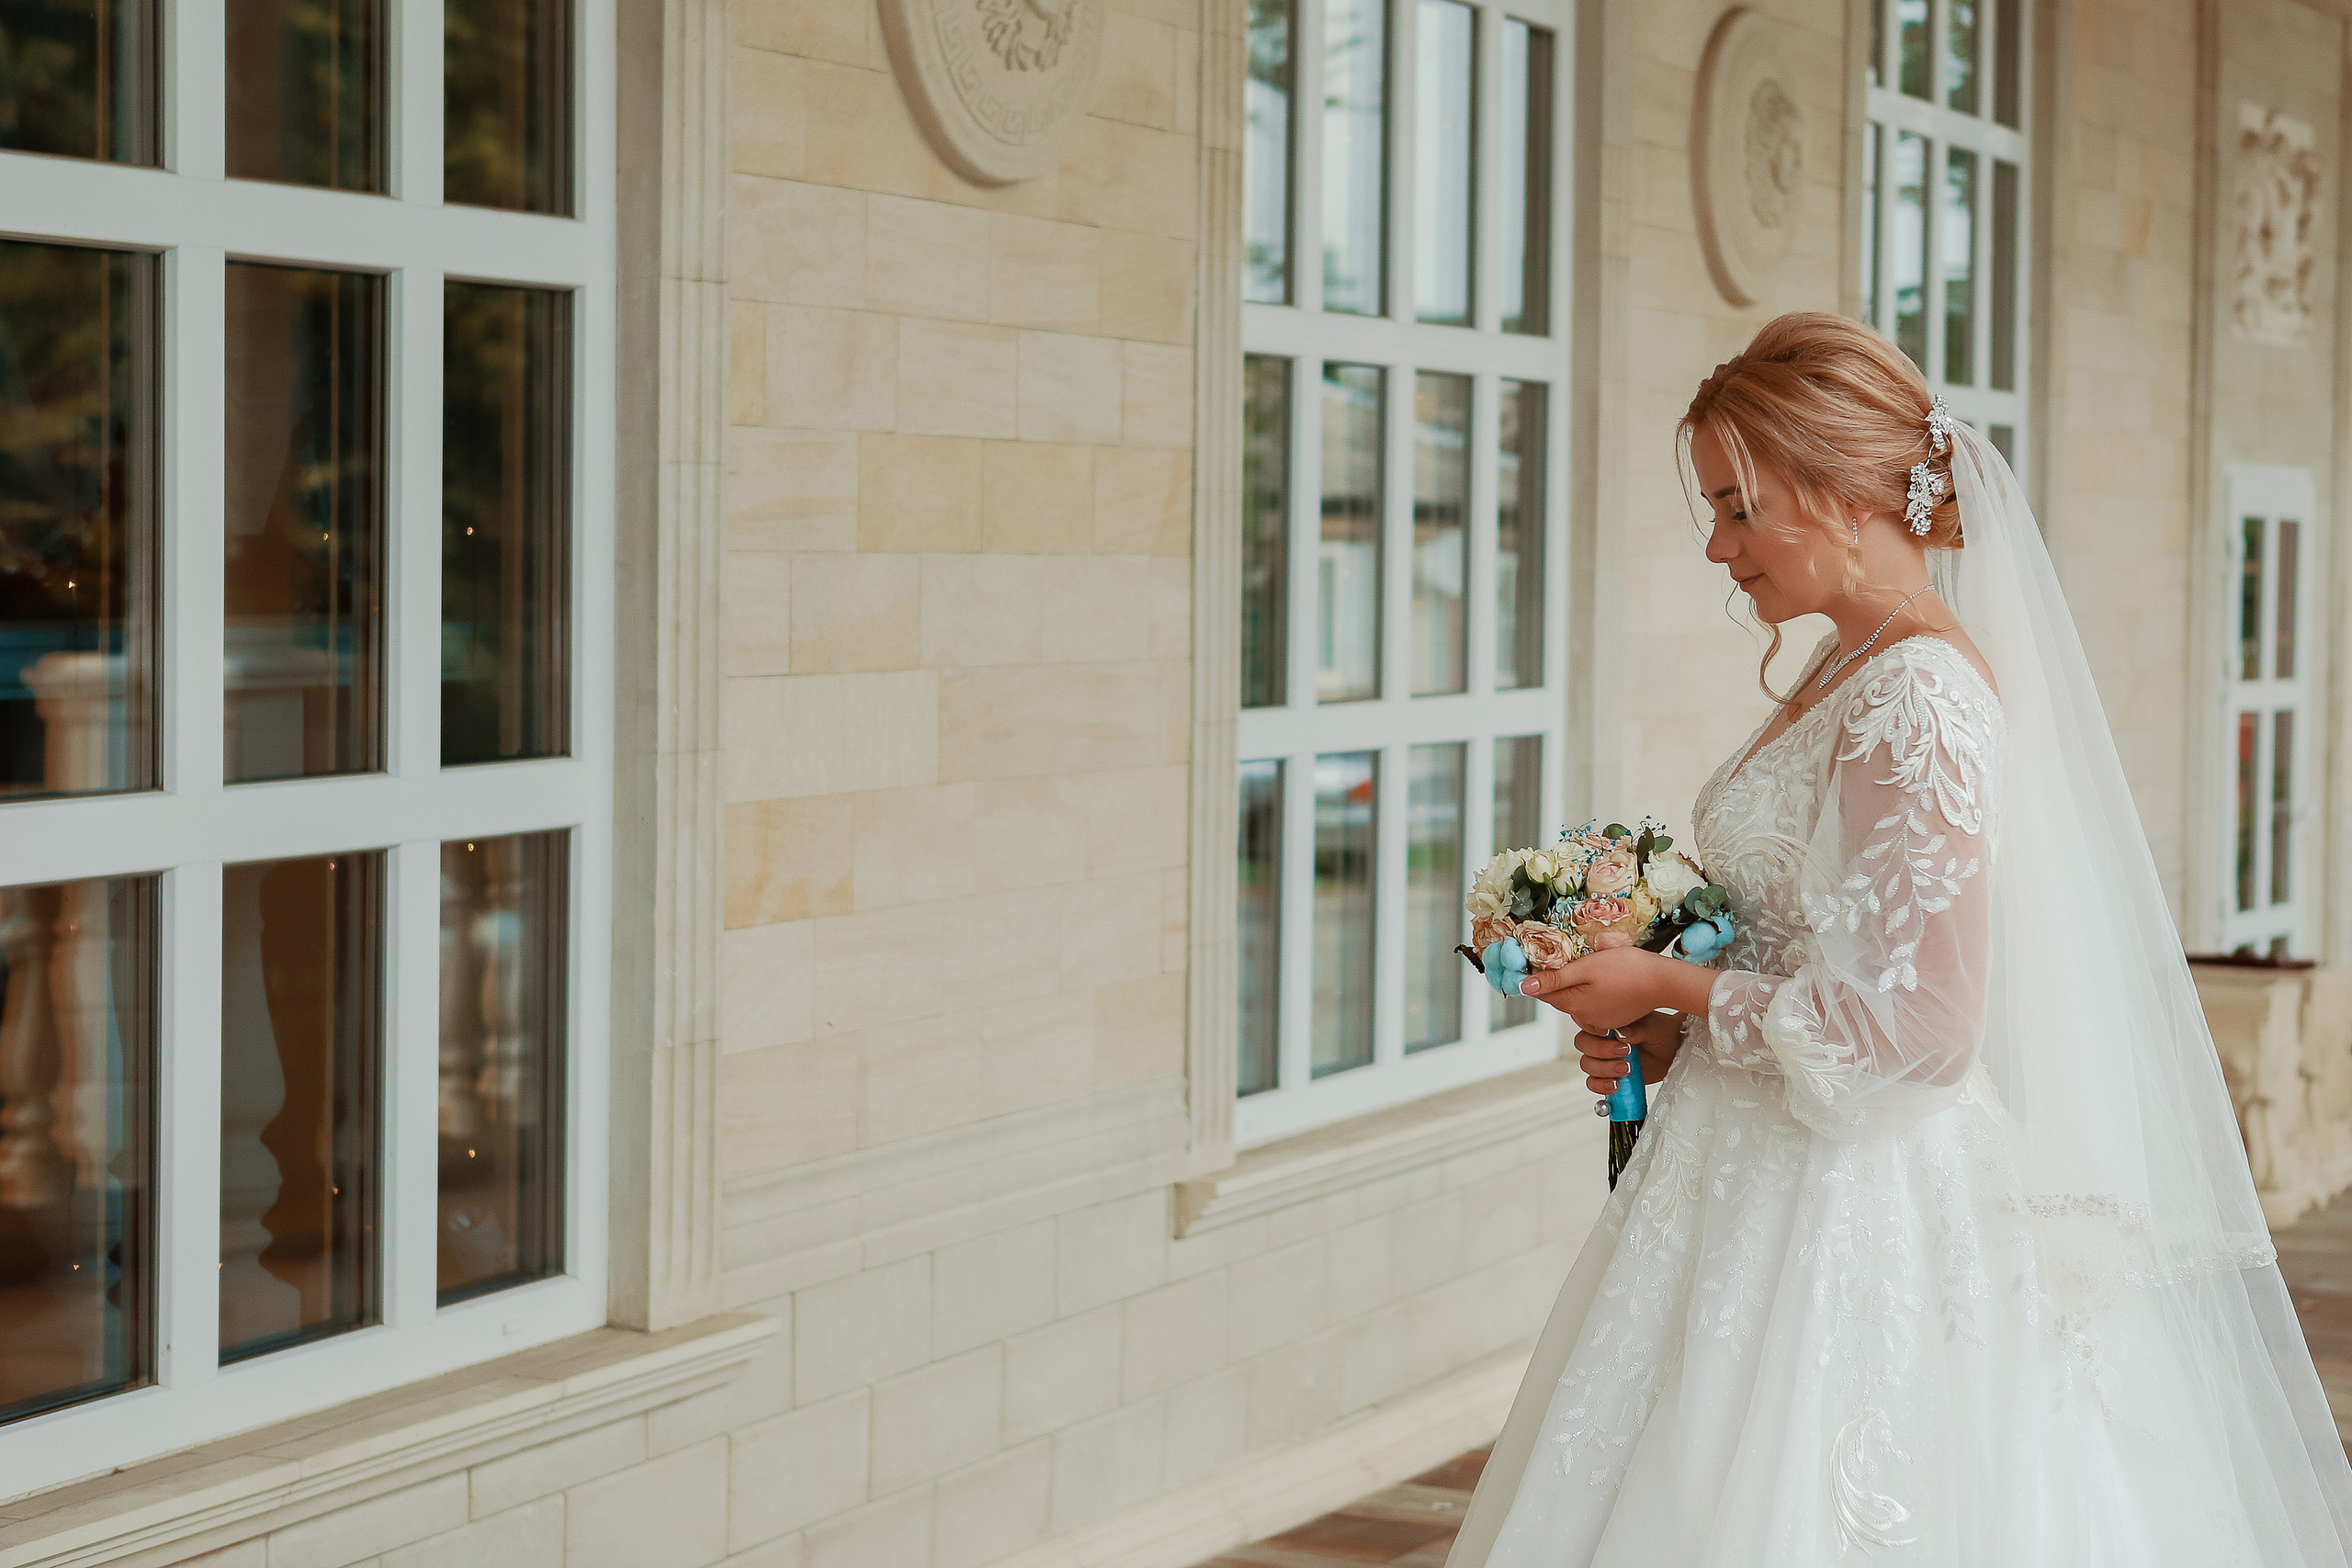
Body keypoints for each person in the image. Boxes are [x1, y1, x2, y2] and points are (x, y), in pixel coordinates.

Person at [1444, 313, 2352, 1566]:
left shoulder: (1917, 692)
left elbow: (1922, 1037)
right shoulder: (1845, 664)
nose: (1717, 546)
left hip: (1847, 1209)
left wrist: (1672, 980)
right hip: (1748, 1181)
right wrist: (1667, 1023)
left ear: (1836, 489)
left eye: (1736, 506)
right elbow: (1821, 959)